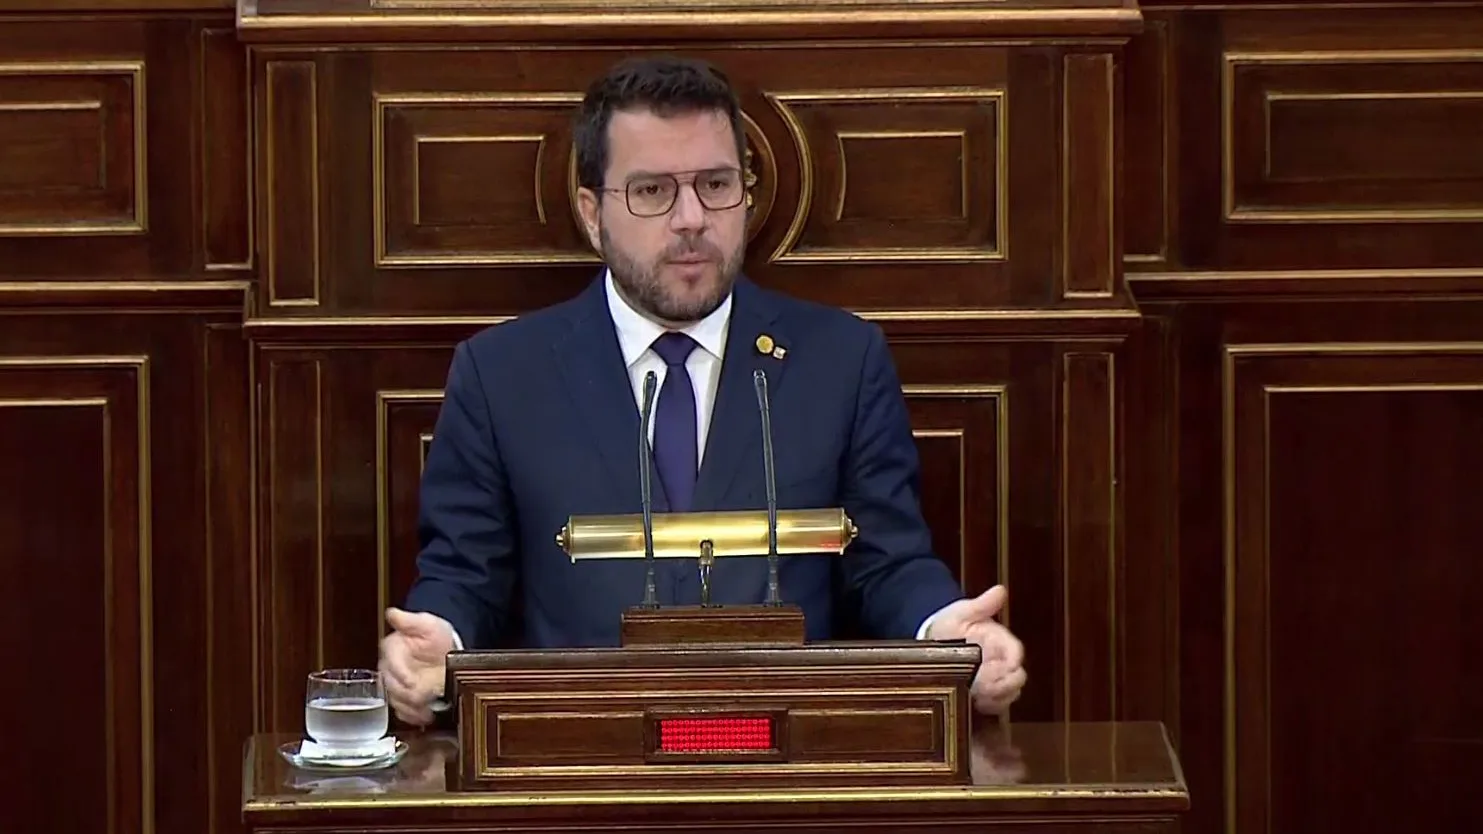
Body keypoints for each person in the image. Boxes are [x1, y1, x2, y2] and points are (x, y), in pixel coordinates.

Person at [378, 55, 1026, 726]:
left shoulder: (840, 359)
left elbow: (886, 563)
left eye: (715, 184)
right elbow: (465, 576)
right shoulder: (502, 374)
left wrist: (946, 636)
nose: (691, 218)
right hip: (581, 760)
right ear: (592, 213)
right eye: (653, 192)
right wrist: (437, 651)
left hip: (789, 760)